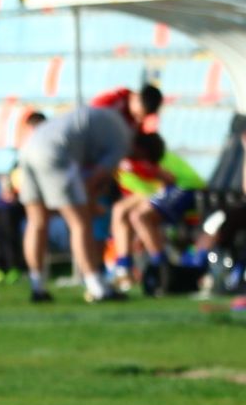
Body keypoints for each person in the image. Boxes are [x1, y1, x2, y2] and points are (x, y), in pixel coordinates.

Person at [17, 104, 133, 303]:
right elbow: (95, 178)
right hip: (55, 152)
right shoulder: (122, 139)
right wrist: (90, 204)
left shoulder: (100, 120)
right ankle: (96, 287)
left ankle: (37, 287)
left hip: (28, 148)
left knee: (36, 222)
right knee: (80, 223)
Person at [110, 130, 206, 294]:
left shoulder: (155, 158)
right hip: (165, 191)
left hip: (186, 189)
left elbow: (166, 182)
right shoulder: (126, 165)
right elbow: (146, 191)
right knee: (121, 210)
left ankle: (161, 269)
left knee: (139, 216)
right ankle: (124, 267)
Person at [0, 112, 47, 285]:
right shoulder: (24, 150)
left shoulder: (46, 148)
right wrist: (8, 190)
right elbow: (12, 173)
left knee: (8, 217)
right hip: (20, 196)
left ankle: (14, 265)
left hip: (38, 198)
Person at [91, 83, 162, 133]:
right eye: (138, 114)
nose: (139, 119)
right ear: (137, 97)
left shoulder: (137, 124)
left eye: (142, 116)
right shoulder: (114, 100)